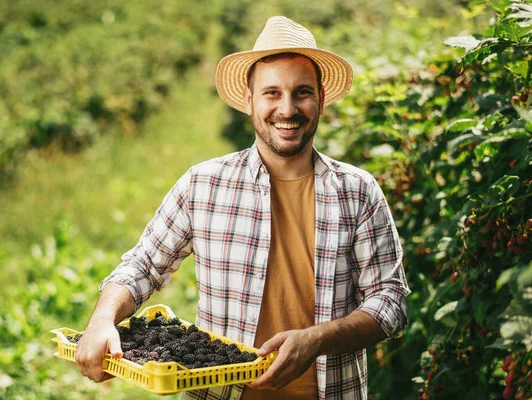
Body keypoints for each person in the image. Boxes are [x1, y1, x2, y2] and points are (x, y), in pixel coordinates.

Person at [76, 16, 410, 400]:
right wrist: (102, 320)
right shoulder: (204, 184)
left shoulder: (358, 192)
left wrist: (316, 340)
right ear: (249, 100)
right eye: (272, 93)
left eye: (302, 92)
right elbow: (143, 265)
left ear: (321, 98)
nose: (288, 108)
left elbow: (391, 301)